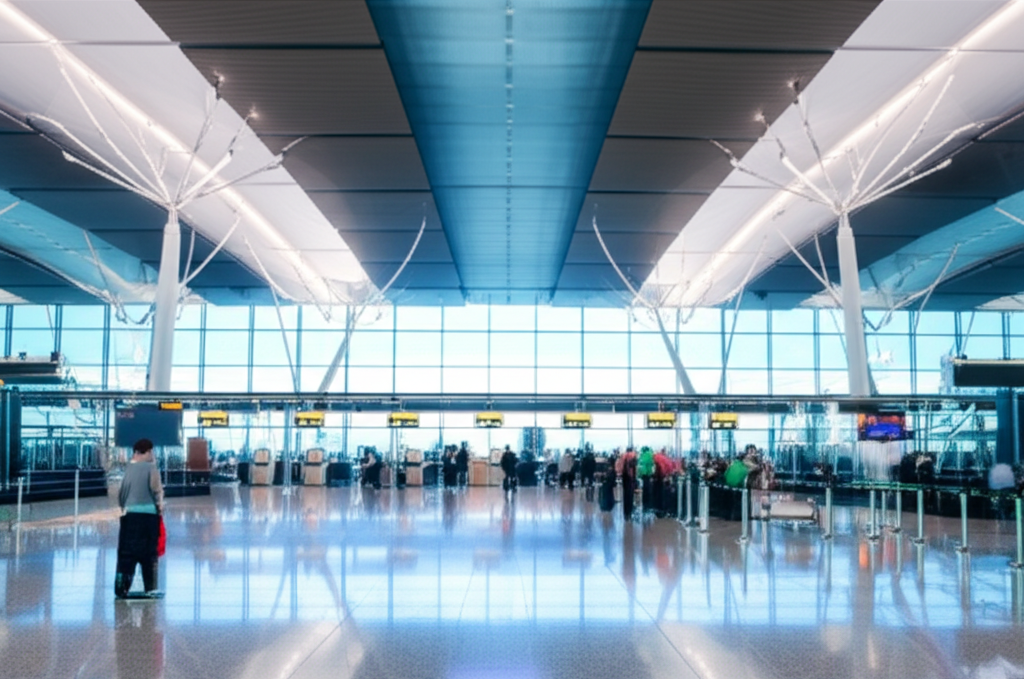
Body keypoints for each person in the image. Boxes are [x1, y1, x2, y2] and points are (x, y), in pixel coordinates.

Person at [115, 438, 164, 599]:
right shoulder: (151, 468)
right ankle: (150, 587)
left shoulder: (129, 468)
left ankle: (123, 588)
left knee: (127, 553)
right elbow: (156, 490)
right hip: (149, 516)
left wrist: (124, 507)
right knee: (148, 554)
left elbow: (122, 492)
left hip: (130, 516)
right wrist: (159, 508)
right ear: (149, 451)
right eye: (152, 452)